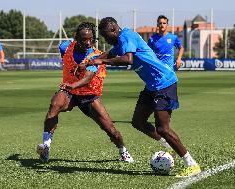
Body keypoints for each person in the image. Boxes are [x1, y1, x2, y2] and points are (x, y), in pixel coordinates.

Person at [86, 17, 201, 177]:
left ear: (113, 29)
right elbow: (111, 53)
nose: (105, 39)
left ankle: (192, 164)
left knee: (163, 128)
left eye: (106, 36)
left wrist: (101, 62)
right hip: (152, 86)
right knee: (138, 122)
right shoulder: (120, 41)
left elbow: (128, 59)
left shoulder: (127, 36)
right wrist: (92, 60)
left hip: (164, 83)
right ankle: (169, 148)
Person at [36, 22, 133, 163]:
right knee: (55, 103)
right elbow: (65, 56)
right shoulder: (65, 47)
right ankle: (46, 147)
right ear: (76, 38)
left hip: (89, 95)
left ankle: (123, 150)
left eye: (90, 39)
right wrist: (70, 84)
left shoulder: (95, 56)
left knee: (111, 130)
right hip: (70, 93)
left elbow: (87, 78)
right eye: (84, 40)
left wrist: (72, 84)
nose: (88, 43)